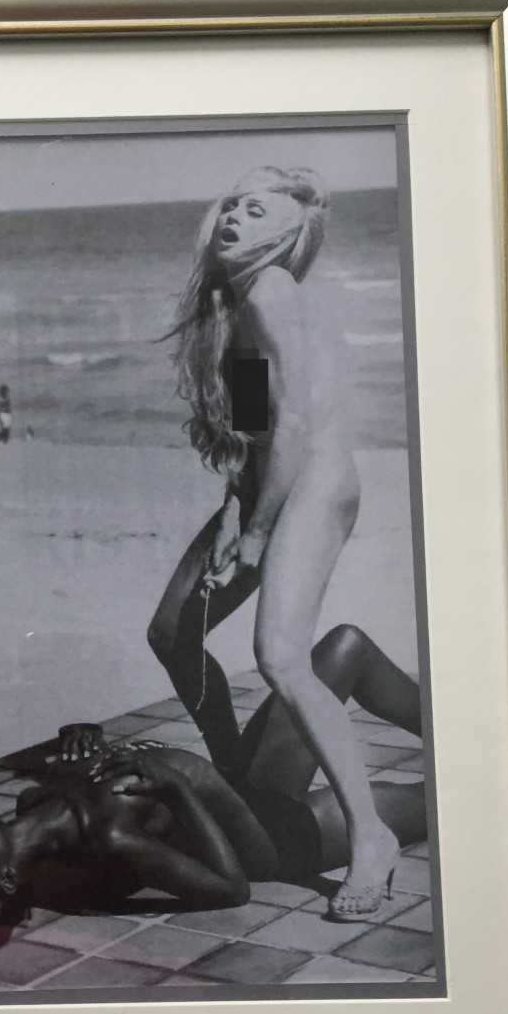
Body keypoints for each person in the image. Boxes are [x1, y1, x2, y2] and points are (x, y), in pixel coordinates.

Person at [147, 166, 401, 919]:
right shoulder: (236, 300)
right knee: (174, 631)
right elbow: (259, 425)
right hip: (272, 479)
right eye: (234, 205)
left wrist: (258, 531)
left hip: (314, 484)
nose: (236, 216)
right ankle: (237, 774)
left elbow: (293, 425)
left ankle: (372, 838)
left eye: (259, 212)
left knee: (281, 656)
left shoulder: (272, 292)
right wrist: (236, 507)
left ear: (289, 237)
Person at [0, 623, 423, 920]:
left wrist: (81, 734)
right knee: (443, 799)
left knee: (346, 646)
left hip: (245, 783)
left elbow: (95, 766)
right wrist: (176, 788)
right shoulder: (109, 837)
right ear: (7, 879)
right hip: (278, 839)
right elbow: (232, 889)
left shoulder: (34, 802)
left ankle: (454, 726)